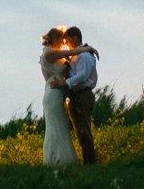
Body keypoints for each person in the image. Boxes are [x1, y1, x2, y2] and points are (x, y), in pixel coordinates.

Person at [63, 26, 100, 164]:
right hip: (77, 95)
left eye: (67, 41)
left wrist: (67, 82)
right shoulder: (79, 55)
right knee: (80, 130)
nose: (67, 44)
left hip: (82, 95)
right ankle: (88, 161)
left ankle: (90, 162)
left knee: (83, 130)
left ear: (75, 38)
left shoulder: (84, 56)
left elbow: (82, 76)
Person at [39, 28, 76, 166]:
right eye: (62, 39)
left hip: (52, 90)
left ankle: (54, 159)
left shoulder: (47, 55)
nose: (64, 42)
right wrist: (87, 49)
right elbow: (71, 52)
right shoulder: (50, 53)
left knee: (57, 126)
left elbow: (48, 78)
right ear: (57, 39)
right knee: (58, 126)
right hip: (53, 93)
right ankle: (63, 159)